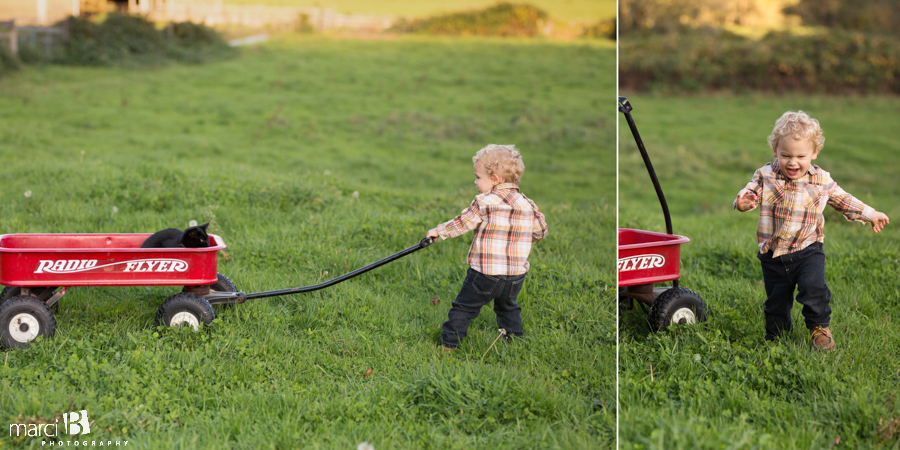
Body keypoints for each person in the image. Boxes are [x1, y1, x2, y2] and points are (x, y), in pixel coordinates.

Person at [734, 111, 889, 351]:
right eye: (785, 155)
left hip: (808, 249)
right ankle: (777, 340)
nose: (792, 162)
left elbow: (843, 200)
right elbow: (749, 192)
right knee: (776, 302)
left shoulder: (822, 180)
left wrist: (870, 214)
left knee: (813, 288)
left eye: (800, 156)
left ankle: (819, 328)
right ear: (775, 151)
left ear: (814, 153)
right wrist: (743, 202)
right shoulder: (765, 175)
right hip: (773, 254)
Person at [427, 144, 548, 351]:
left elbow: (462, 222)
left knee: (464, 308)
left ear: (495, 180)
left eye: (478, 177)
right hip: (515, 275)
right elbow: (540, 232)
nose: (475, 182)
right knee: (508, 307)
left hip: (485, 274)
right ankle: (514, 342)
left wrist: (438, 231)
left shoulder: (484, 202)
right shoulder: (528, 204)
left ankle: (448, 345)